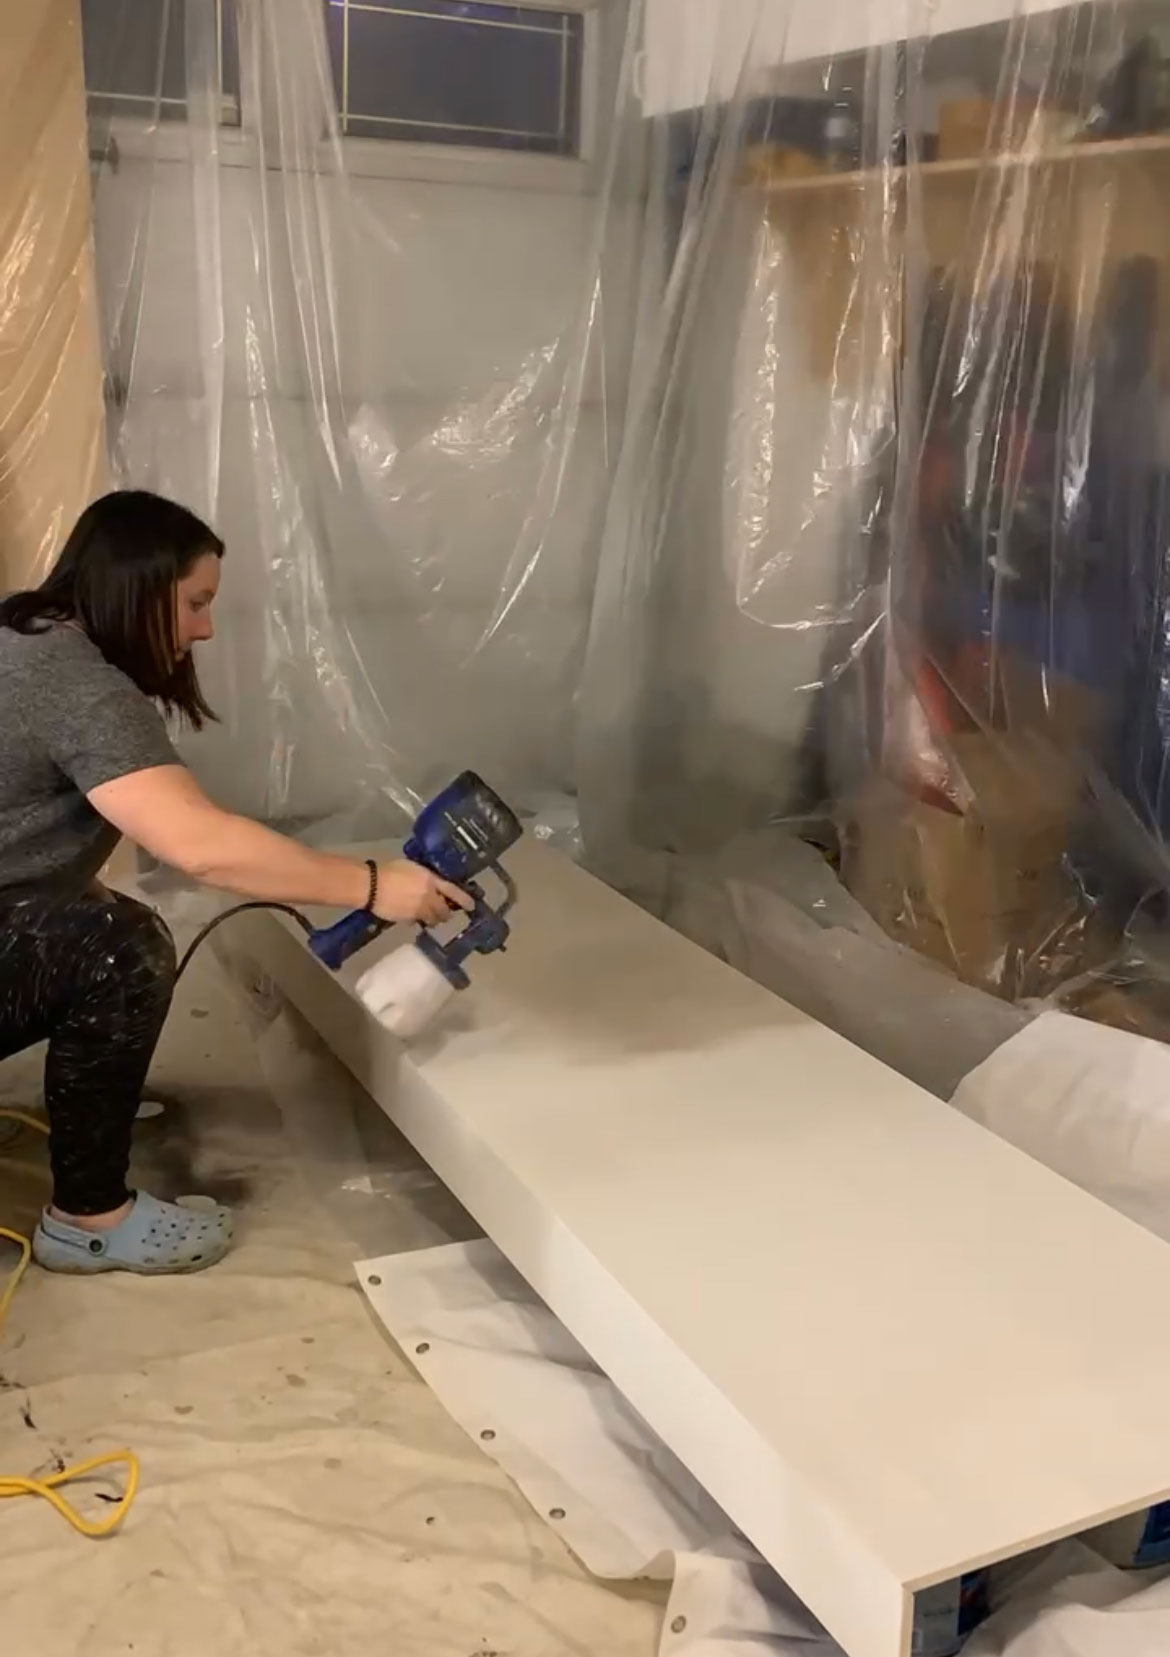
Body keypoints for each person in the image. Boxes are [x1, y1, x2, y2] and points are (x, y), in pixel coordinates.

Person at [0, 490, 470, 1278]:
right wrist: (369, 884)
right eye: (195, 603)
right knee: (121, 949)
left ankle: (91, 1113)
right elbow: (199, 845)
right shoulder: (76, 685)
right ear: (137, 586)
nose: (204, 629)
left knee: (86, 913)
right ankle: (90, 1218)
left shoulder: (25, 638)